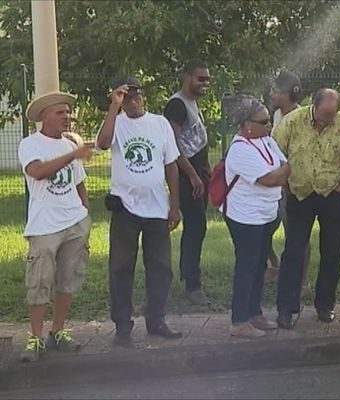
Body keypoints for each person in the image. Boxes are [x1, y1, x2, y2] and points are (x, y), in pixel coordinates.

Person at [96, 77, 183, 347]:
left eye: (135, 96)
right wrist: (114, 107)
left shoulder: (159, 124)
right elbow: (102, 143)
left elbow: (171, 164)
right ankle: (123, 325)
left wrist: (175, 205)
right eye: (125, 97)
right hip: (125, 208)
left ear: (143, 97)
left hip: (157, 208)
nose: (132, 101)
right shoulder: (117, 123)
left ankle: (156, 320)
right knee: (121, 267)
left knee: (161, 267)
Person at [274, 88, 340, 329]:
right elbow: (275, 154)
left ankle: (325, 304)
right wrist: (285, 185)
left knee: (332, 250)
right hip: (299, 194)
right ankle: (286, 308)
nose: (327, 120)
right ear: (314, 105)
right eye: (323, 114)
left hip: (332, 194)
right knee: (293, 250)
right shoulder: (292, 121)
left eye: (332, 115)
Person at [18, 92, 93, 362]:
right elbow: (37, 171)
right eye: (60, 112)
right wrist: (74, 152)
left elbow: (79, 182)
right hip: (45, 226)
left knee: (67, 280)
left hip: (74, 223)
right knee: (39, 282)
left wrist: (85, 217)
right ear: (44, 116)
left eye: (67, 112)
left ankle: (57, 331)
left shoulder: (67, 146)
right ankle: (35, 337)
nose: (67, 116)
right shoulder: (30, 144)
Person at [221, 94, 290, 338]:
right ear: (247, 125)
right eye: (263, 121)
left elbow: (285, 165)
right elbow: (271, 178)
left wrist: (281, 172)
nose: (269, 125)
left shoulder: (266, 141)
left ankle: (254, 313)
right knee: (246, 266)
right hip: (245, 216)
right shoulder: (240, 149)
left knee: (260, 264)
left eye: (269, 120)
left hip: (266, 214)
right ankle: (238, 321)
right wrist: (280, 173)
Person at [163, 59, 212, 306]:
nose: (205, 83)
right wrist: (192, 175)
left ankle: (190, 279)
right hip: (185, 178)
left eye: (207, 79)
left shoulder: (192, 103)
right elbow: (173, 146)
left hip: (199, 175)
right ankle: (192, 285)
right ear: (187, 77)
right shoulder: (176, 105)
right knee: (195, 228)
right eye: (200, 78)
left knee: (198, 228)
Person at [265, 70, 311, 299]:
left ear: (288, 94)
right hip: (275, 184)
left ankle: (302, 282)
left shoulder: (302, 118)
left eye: (276, 90)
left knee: (297, 234)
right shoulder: (276, 115)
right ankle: (275, 264)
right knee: (264, 229)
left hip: (294, 185)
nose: (271, 94)